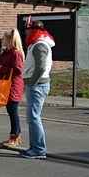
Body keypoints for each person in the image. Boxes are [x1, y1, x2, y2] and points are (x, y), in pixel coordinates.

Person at [21, 20, 55, 159]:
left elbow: (41, 67)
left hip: (37, 85)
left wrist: (33, 82)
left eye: (28, 29)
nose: (26, 32)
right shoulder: (37, 44)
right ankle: (34, 147)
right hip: (37, 85)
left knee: (34, 117)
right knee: (32, 117)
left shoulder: (39, 45)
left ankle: (39, 149)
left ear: (34, 30)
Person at [0, 29, 25, 147]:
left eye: (4, 39)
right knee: (10, 110)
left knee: (13, 111)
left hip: (13, 85)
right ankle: (15, 136)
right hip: (6, 85)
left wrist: (2, 69)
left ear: (10, 40)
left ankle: (15, 136)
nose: (3, 41)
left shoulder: (16, 53)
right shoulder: (7, 52)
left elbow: (18, 70)